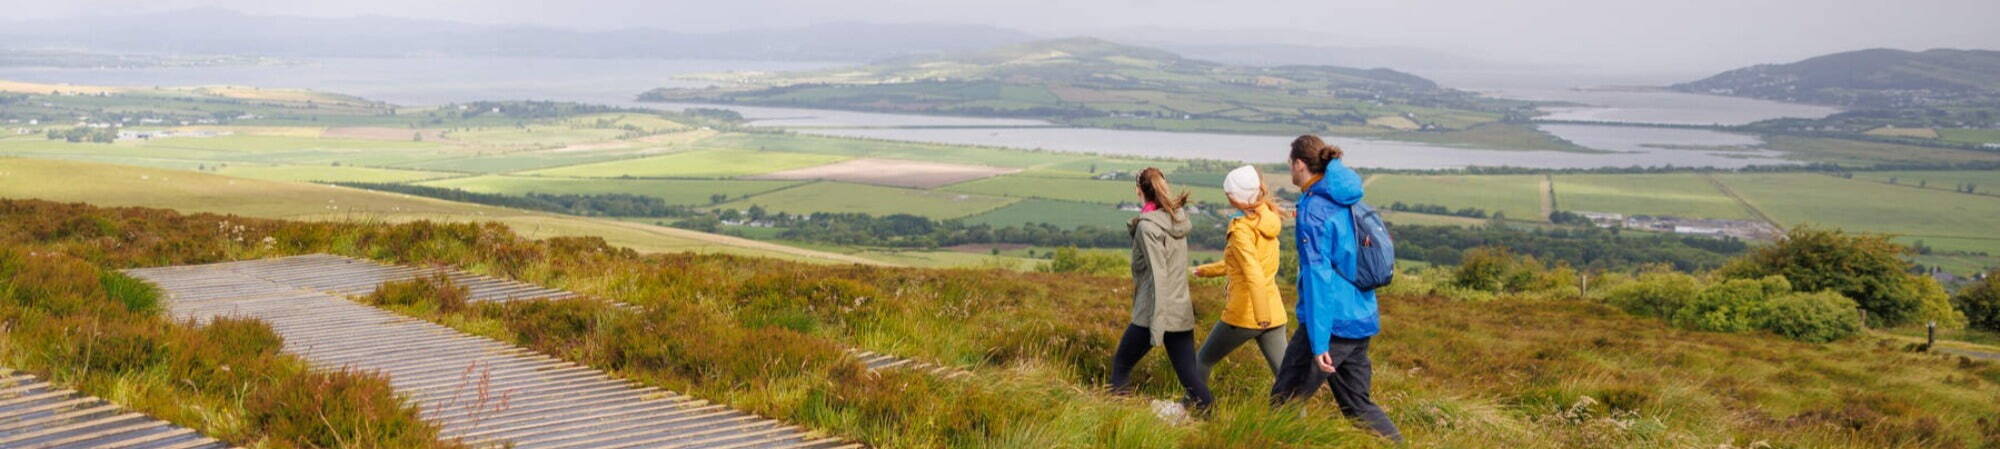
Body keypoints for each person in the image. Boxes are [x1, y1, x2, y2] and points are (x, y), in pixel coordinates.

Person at [1270, 135, 1402, 442]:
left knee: (1284, 400)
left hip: (1332, 323)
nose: (1290, 169)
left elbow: (1318, 278)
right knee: (1358, 406)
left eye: (1291, 164)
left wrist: (1318, 343)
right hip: (1361, 315)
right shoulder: (1346, 196)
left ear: (1299, 165)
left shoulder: (1314, 209)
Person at [1108, 167, 1214, 412]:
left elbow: (1158, 275)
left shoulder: (1148, 227)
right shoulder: (1176, 219)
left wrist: (1157, 324)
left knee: (1121, 365)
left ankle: (1114, 419)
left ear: (1138, 190)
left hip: (1153, 312)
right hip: (1180, 311)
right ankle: (1212, 419)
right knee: (1190, 378)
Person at [1192, 165, 1290, 382]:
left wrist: (1260, 315)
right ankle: (1297, 417)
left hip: (1246, 313)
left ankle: (1191, 408)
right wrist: (1205, 271)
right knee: (1285, 376)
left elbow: (1252, 272)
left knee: (1203, 360)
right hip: (1274, 312)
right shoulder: (1268, 216)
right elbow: (1239, 264)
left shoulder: (1241, 229)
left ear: (1235, 198)